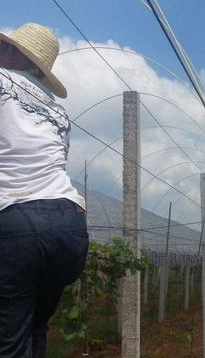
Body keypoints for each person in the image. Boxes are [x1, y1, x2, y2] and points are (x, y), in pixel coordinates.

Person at [0, 23, 88, 358]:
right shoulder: (58, 111)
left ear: (16, 54)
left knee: (8, 342)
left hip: (20, 222)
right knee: (34, 328)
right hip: (70, 225)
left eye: (3, 47)